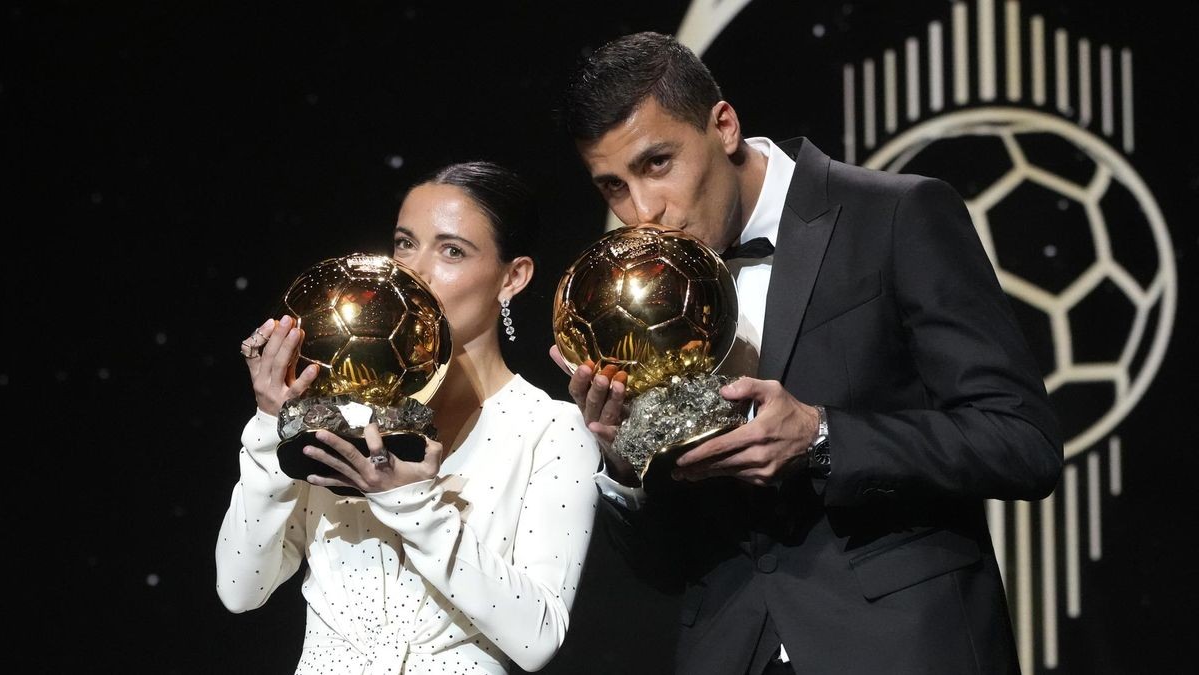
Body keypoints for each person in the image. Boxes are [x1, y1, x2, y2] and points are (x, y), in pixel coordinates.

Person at [552, 32, 1063, 674]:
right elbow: (665, 567)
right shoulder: (637, 305)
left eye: (658, 163)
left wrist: (821, 435)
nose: (643, 211)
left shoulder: (897, 215)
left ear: (724, 126)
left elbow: (1021, 444)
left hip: (902, 648)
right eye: (612, 188)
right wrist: (623, 461)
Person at [217, 161, 600, 674]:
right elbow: (241, 590)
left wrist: (410, 504)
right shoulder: (341, 406)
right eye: (404, 243)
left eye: (451, 251)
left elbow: (537, 638)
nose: (413, 270)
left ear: (512, 277)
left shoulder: (550, 429)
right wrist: (269, 425)